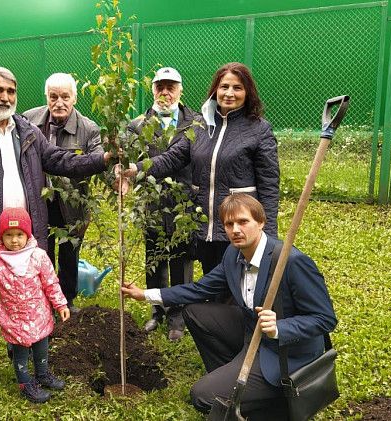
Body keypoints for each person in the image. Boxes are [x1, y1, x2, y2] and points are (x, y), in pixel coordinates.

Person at [0, 67, 111, 384]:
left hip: (25, 236)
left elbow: (61, 161)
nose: (4, 97)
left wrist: (103, 159)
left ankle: (21, 348)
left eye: (10, 91)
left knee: (27, 297)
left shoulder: (26, 130)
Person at [121, 194, 336, 420]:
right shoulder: (233, 254)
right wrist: (145, 294)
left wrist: (280, 328)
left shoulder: (290, 262)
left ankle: (275, 400)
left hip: (285, 354)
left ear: (261, 222)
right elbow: (200, 289)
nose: (235, 230)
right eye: (229, 224)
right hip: (251, 335)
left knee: (202, 396)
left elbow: (325, 319)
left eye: (243, 222)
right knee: (195, 312)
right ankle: (235, 377)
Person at [118, 62, 280, 275]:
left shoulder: (259, 129)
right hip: (206, 227)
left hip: (239, 227)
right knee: (212, 283)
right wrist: (134, 168)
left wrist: (268, 234)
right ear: (215, 90)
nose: (229, 93)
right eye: (224, 87)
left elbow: (269, 186)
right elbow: (172, 158)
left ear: (248, 92)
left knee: (240, 289)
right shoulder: (202, 126)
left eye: (237, 88)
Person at [0, 207, 70, 403]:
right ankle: (25, 384)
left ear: (27, 234)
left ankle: (42, 374)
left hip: (39, 316)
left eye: (19, 234)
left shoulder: (38, 256)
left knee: (42, 348)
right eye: (9, 235)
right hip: (15, 319)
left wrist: (60, 304)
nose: (14, 240)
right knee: (20, 355)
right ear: (1, 237)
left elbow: (51, 282)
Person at [127, 67, 200, 341]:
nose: (165, 93)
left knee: (181, 258)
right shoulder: (137, 125)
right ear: (153, 90)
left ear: (181, 90)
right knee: (154, 258)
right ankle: (157, 310)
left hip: (184, 204)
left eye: (171, 87)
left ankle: (178, 315)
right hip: (152, 204)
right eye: (160, 87)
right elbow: (127, 161)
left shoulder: (195, 123)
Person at [23, 73, 103, 314]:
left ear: (75, 98)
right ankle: (44, 299)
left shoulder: (88, 128)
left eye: (65, 96)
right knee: (41, 253)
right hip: (38, 201)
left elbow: (98, 158)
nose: (59, 102)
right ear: (46, 97)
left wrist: (116, 175)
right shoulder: (28, 120)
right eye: (53, 96)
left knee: (69, 254)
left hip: (73, 205)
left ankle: (67, 299)